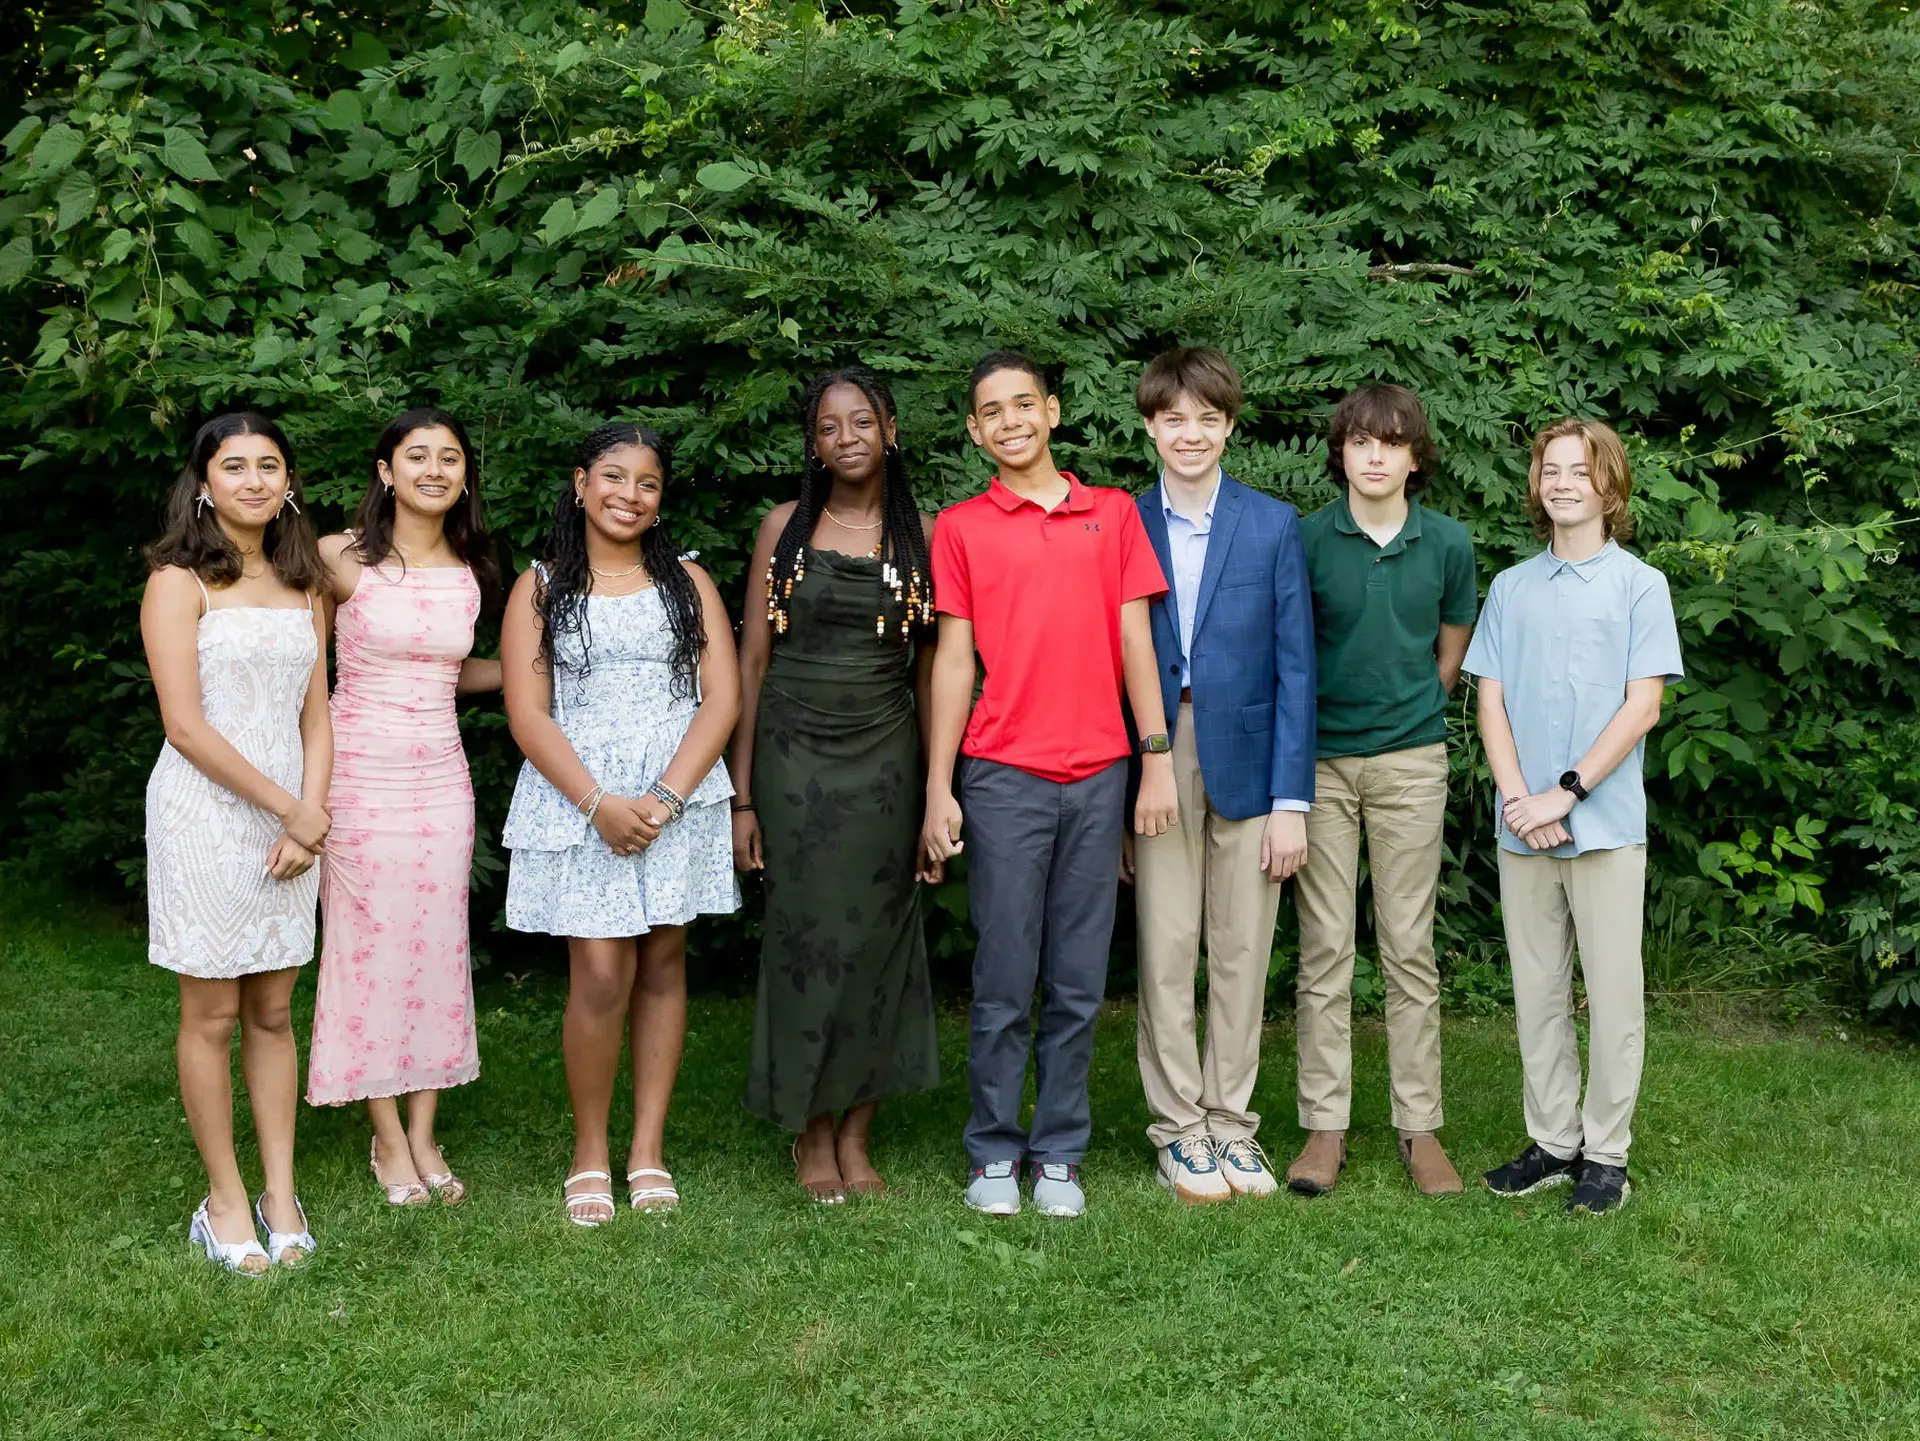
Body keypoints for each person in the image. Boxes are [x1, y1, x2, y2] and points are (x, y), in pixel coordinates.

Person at [921, 350, 1177, 1220]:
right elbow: (953, 661)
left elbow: (1137, 643)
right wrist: (939, 785)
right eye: (990, 410)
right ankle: (994, 1149)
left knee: (1075, 978)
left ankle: (1059, 1149)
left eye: (1023, 404)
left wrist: (1154, 756)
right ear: (974, 431)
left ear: (1054, 412)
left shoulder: (1111, 514)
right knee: (1002, 974)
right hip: (1001, 775)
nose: (1010, 421)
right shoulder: (958, 527)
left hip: (1102, 771)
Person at [501, 422, 741, 1227]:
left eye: (646, 482)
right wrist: (598, 802)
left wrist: (669, 798)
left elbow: (724, 697)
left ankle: (647, 1148)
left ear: (660, 499)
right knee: (601, 972)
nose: (628, 494)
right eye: (612, 476)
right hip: (583, 798)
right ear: (580, 483)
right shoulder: (539, 586)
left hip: (677, 793)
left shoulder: (690, 582)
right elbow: (528, 713)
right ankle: (589, 1151)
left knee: (665, 963)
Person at [731, 367, 940, 1204]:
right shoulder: (782, 528)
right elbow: (751, 661)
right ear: (812, 442)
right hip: (792, 756)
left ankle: (858, 1130)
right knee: (805, 940)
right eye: (828, 425)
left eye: (861, 421)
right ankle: (810, 1132)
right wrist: (741, 796)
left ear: (889, 429)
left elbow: (933, 672)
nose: (846, 437)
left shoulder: (925, 535)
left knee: (881, 943)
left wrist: (936, 794)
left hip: (888, 758)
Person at [1466, 418, 1682, 1218]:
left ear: (1609, 486)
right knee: (1538, 992)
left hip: (1604, 822)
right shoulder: (1512, 587)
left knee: (1616, 995)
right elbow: (1489, 698)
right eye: (1549, 469)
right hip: (1522, 824)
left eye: (1579, 471)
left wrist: (1567, 791)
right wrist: (1522, 798)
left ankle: (1607, 1155)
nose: (1562, 482)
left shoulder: (1640, 585)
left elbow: (1644, 705)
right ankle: (1554, 1143)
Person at [1124, 348, 1316, 1204]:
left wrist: (1291, 800)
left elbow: (1297, 670)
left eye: (1207, 418)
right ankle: (1178, 1129)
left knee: (1241, 947)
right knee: (1167, 946)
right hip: (1157, 749)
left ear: (1229, 426)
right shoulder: (1121, 521)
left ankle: (1232, 1123)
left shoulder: (1272, 525)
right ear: (1151, 427)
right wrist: (1136, 765)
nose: (1190, 433)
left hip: (1250, 752)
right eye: (1174, 418)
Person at [142, 411, 331, 1274]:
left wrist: (311, 812)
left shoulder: (306, 582)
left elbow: (316, 715)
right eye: (235, 466)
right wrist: (286, 808)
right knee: (212, 1012)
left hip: (294, 819)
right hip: (205, 815)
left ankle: (280, 1192)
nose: (254, 480)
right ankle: (222, 1199)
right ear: (204, 482)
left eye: (269, 465)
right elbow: (184, 726)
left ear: (288, 481)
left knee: (271, 1010)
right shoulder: (180, 582)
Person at [307, 408, 504, 1208]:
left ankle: (426, 1130)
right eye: (416, 455)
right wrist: (307, 792)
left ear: (463, 476)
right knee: (366, 951)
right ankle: (385, 1134)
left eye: (449, 457)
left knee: (435, 946)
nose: (434, 468)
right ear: (385, 470)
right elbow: (306, 678)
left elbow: (450, 672)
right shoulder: (335, 557)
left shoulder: (471, 566)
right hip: (358, 774)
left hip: (440, 778)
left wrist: (537, 676)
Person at [1289, 383, 1479, 1198]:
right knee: (1325, 948)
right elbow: (1291, 651)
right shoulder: (1305, 541)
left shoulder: (1448, 544)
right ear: (1342, 452)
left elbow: (1450, 649)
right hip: (1321, 763)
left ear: (1414, 455)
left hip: (1411, 761)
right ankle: (1323, 1127)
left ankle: (1419, 1127)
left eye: (1390, 442)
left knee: (1409, 947)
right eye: (1359, 441)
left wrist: (1413, 711)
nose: (1373, 455)